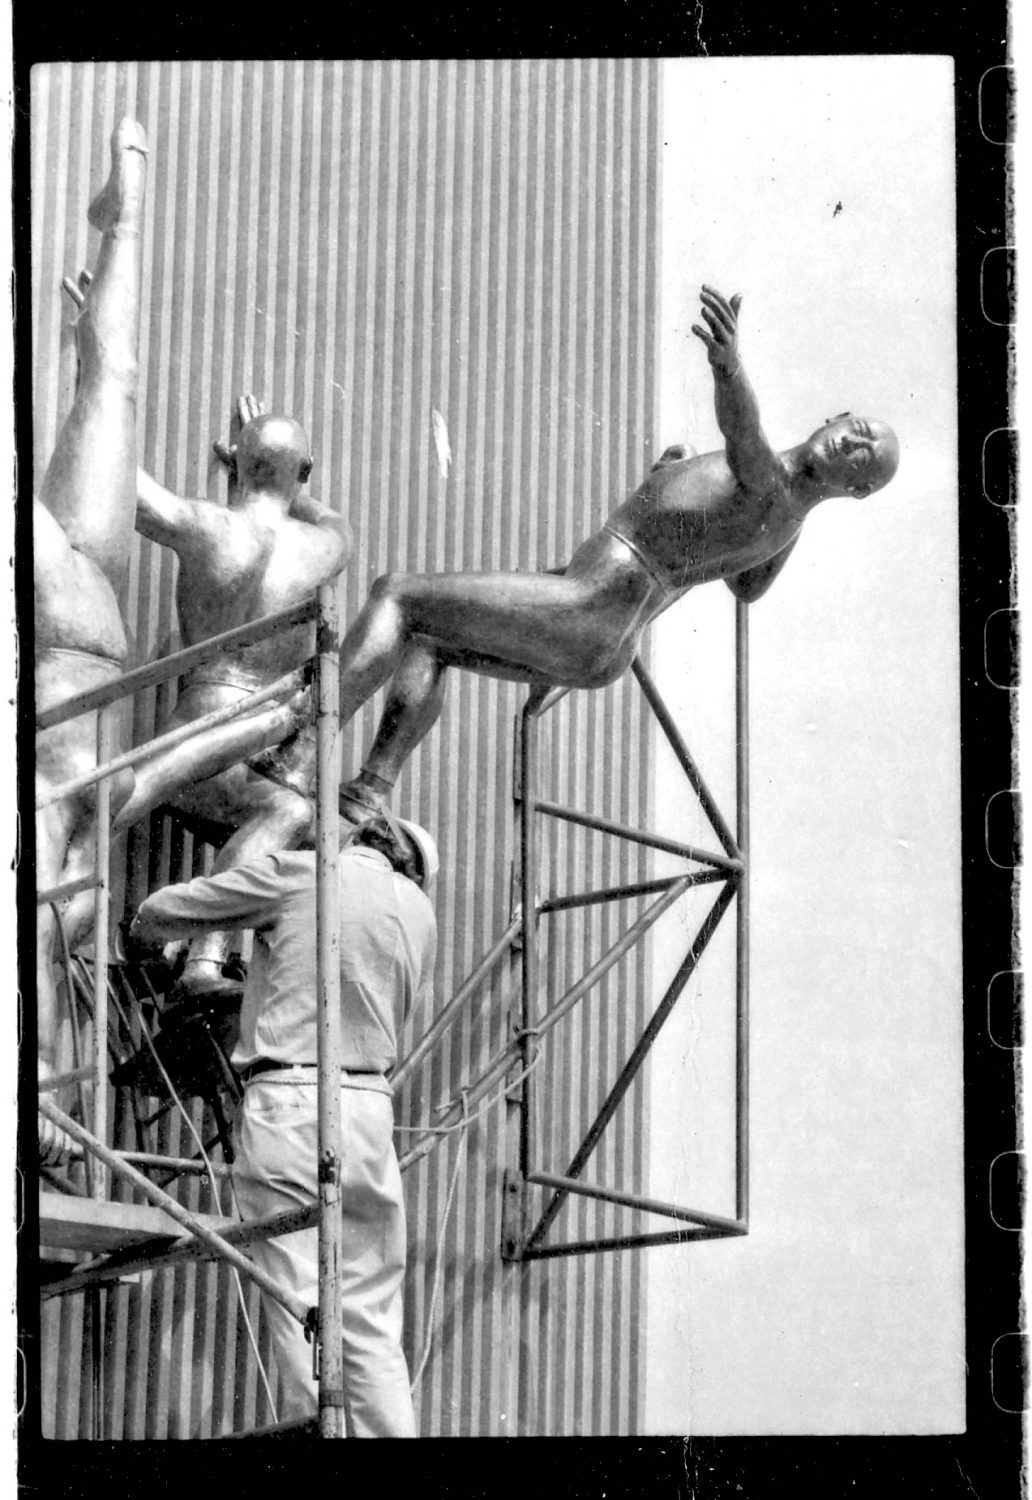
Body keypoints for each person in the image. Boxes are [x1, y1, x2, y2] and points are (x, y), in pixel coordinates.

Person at [308, 284, 900, 825]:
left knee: (398, 595)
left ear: (857, 489)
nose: (856, 440)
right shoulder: (786, 524)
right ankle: (369, 791)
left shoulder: (774, 483)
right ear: (837, 417)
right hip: (602, 632)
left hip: (592, 605)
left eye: (865, 455)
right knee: (430, 640)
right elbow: (747, 586)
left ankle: (301, 748)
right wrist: (674, 500)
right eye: (861, 428)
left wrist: (729, 368)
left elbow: (743, 431)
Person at [129, 810, 439, 1436]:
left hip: (294, 1104)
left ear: (358, 838)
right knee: (372, 1320)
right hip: (370, 1108)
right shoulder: (419, 914)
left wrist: (156, 938)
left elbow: (161, 911)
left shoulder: (303, 873)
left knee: (302, 1298)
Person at [112, 394, 352, 1003]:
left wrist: (244, 464)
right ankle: (205, 957)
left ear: (237, 464)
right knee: (293, 813)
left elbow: (121, 482)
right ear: (306, 471)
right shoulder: (324, 549)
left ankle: (169, 941)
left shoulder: (206, 524)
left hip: (188, 740)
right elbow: (335, 521)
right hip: (255, 752)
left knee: (119, 798)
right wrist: (285, 479)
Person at [34, 118, 149, 1163]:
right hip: (95, 608)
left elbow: (40, 935)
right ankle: (125, 212)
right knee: (110, 379)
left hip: (49, 617)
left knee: (106, 384)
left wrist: (46, 1100)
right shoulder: (95, 828)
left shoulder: (43, 826)